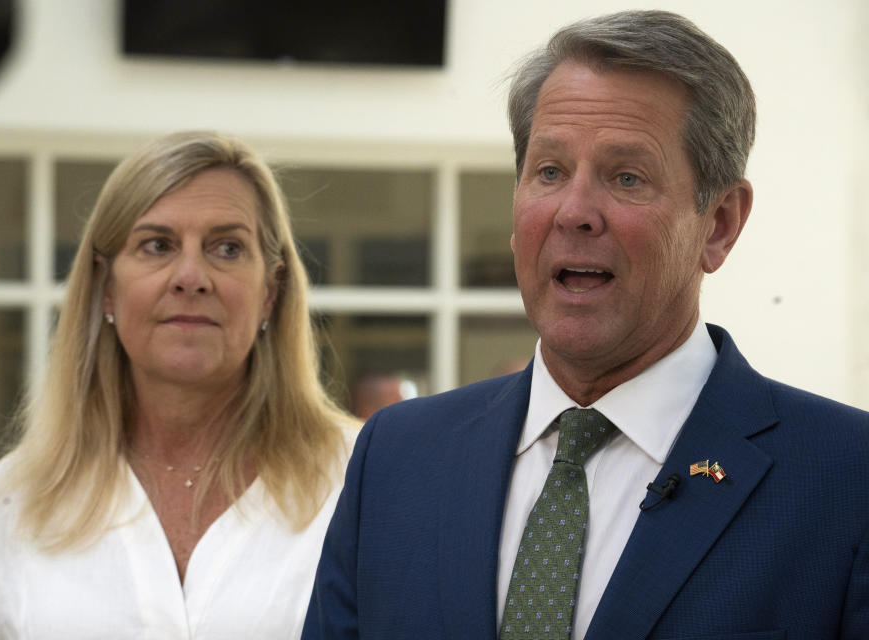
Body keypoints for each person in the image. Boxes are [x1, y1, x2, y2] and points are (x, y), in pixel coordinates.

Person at [303, 10, 869, 640]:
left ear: (720, 223)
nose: (574, 212)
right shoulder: (396, 458)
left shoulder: (848, 480)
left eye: (626, 177)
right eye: (549, 172)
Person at [0, 131, 358, 638]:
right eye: (156, 245)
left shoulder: (360, 482)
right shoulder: (11, 505)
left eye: (227, 248)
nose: (190, 276)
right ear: (106, 288)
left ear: (270, 292)